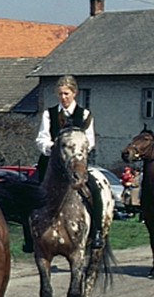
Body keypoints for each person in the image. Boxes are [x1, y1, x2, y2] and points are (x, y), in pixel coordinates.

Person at [34, 75, 105, 249]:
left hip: (76, 161)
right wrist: (53, 149)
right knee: (30, 190)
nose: (63, 97)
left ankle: (96, 232)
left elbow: (90, 140)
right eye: (60, 94)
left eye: (66, 93)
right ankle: (30, 237)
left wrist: (75, 153)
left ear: (74, 93)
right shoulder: (49, 114)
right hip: (52, 161)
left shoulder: (85, 114)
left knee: (95, 189)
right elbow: (41, 139)